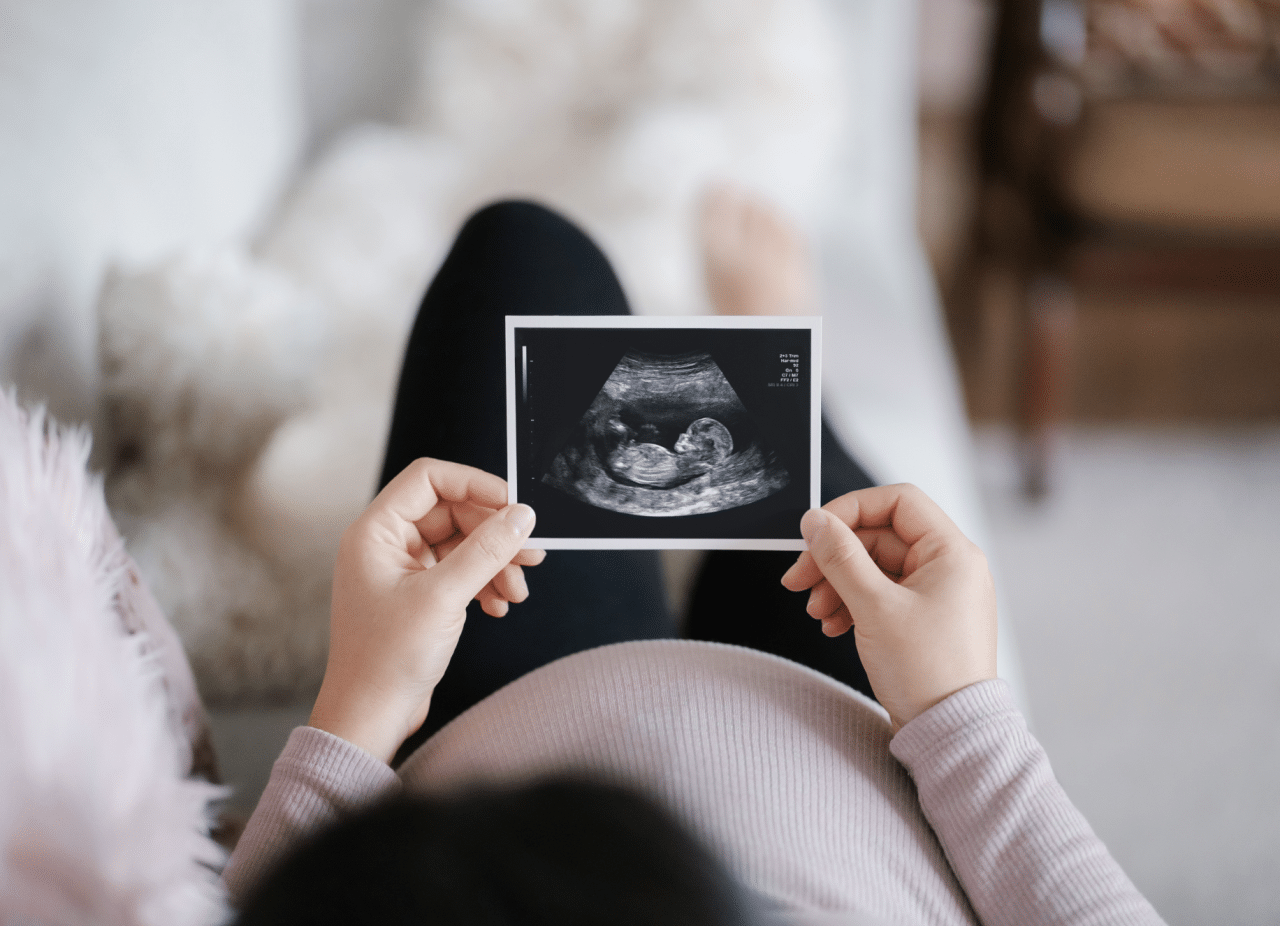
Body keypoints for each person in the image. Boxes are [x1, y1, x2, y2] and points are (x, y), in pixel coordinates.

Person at [223, 199, 1165, 925]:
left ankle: (774, 374)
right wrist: (963, 719)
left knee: (523, 251)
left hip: (484, 724)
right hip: (871, 727)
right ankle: (784, 358)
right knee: (830, 503)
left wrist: (357, 707)